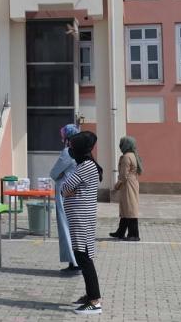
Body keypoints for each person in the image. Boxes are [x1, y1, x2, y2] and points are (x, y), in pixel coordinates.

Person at [62, 131, 104, 315]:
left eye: (72, 147)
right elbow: (67, 189)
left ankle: (94, 301)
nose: (70, 151)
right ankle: (90, 295)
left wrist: (68, 192)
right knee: (83, 255)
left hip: (82, 218)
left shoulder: (86, 166)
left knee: (83, 257)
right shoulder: (85, 165)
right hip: (80, 217)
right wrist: (68, 192)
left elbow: (65, 187)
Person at [50, 124, 80, 273]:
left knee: (65, 226)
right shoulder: (80, 151)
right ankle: (76, 260)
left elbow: (54, 173)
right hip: (75, 193)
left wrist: (59, 175)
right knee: (75, 228)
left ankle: (73, 261)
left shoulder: (67, 152)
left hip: (64, 192)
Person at [110, 136, 143, 242]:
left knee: (130, 209)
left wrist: (116, 186)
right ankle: (120, 232)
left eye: (121, 143)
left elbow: (123, 175)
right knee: (126, 208)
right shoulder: (133, 155)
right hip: (132, 183)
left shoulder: (126, 157)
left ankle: (134, 234)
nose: (120, 146)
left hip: (127, 184)